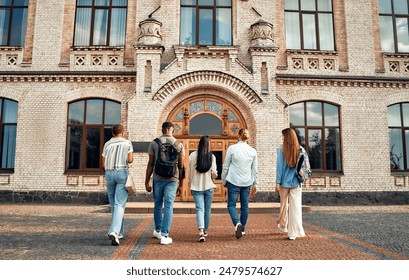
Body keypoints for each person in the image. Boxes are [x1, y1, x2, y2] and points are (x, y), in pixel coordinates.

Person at [145, 122, 185, 245]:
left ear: (162, 129)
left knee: (157, 204)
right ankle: (165, 235)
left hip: (157, 178)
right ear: (172, 130)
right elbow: (181, 166)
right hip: (172, 179)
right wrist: (181, 184)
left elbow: (150, 163)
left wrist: (147, 181)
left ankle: (157, 230)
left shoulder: (154, 143)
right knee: (168, 206)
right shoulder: (179, 144)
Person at [221, 128, 258, 239]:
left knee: (231, 205)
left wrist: (223, 179)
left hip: (233, 181)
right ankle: (242, 230)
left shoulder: (232, 148)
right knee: (245, 207)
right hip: (247, 182)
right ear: (248, 137)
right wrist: (255, 184)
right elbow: (254, 170)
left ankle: (237, 223)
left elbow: (226, 165)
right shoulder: (253, 151)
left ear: (238, 135)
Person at [102, 124, 133, 246]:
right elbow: (130, 160)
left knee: (114, 204)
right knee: (119, 203)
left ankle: (119, 231)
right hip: (121, 173)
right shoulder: (127, 143)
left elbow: (103, 163)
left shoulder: (107, 144)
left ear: (112, 133)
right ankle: (114, 232)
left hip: (109, 173)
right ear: (122, 132)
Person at [275, 127, 306, 240]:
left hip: (284, 182)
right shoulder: (301, 150)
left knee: (283, 206)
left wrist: (277, 182)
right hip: (297, 182)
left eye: (283, 136)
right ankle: (293, 233)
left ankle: (283, 226)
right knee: (296, 208)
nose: (282, 138)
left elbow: (280, 168)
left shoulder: (281, 150)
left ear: (286, 137)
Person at [189, 135, 218, 242]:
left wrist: (191, 183)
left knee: (199, 209)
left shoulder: (192, 155)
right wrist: (214, 173)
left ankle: (201, 231)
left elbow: (190, 173)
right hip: (209, 186)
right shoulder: (212, 157)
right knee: (207, 209)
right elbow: (214, 174)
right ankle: (205, 231)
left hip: (196, 187)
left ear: (199, 144)